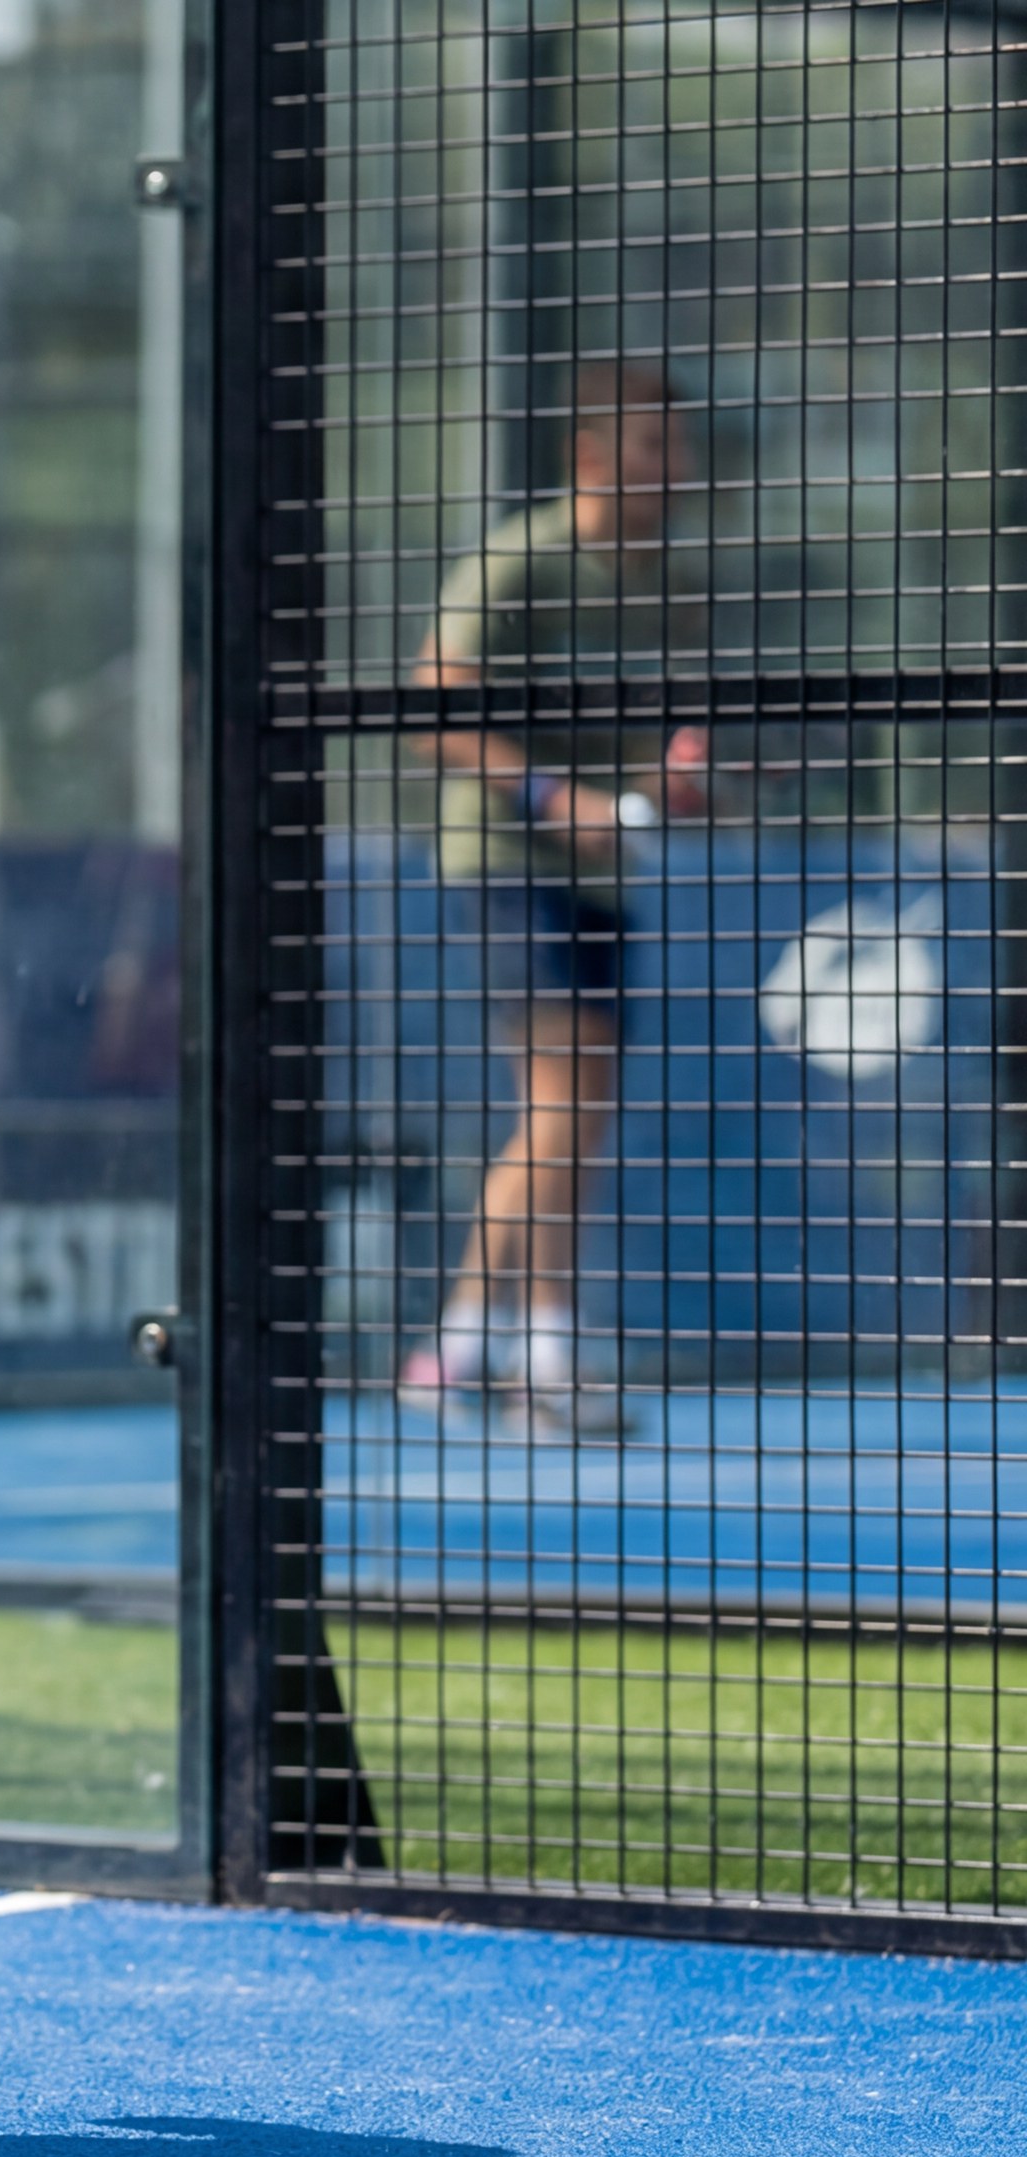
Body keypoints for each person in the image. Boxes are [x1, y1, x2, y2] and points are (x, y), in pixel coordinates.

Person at [401, 361, 711, 1432]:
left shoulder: (673, 588)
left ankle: (471, 1352)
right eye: (649, 450)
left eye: (677, 450)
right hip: (501, 864)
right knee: (565, 1099)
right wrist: (546, 796)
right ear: (590, 458)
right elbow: (436, 708)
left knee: (572, 1114)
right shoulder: (518, 566)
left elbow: (666, 752)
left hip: (600, 877)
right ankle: (523, 1359)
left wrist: (673, 786)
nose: (671, 471)